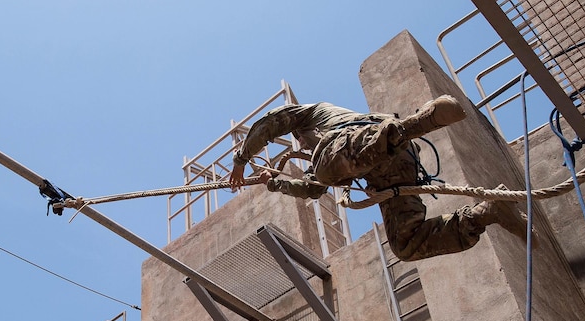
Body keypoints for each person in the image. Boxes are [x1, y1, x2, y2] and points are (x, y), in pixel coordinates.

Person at [228, 95, 536, 262]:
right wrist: (273, 182)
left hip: (377, 138)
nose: (305, 144)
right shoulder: (330, 163)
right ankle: (486, 213)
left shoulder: (317, 114)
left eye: (304, 140)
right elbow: (312, 189)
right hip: (394, 169)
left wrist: (241, 160)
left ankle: (417, 124)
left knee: (325, 167)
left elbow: (271, 123)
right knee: (405, 245)